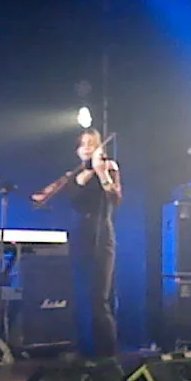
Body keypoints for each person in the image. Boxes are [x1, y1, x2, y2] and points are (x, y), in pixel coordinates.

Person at [66, 128, 122, 359]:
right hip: (80, 234)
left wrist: (102, 173)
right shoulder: (74, 175)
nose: (87, 147)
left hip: (103, 234)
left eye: (92, 143)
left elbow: (115, 199)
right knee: (79, 295)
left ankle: (107, 356)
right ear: (78, 151)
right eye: (83, 144)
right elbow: (73, 198)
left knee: (100, 298)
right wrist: (90, 170)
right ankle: (82, 351)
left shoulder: (110, 168)